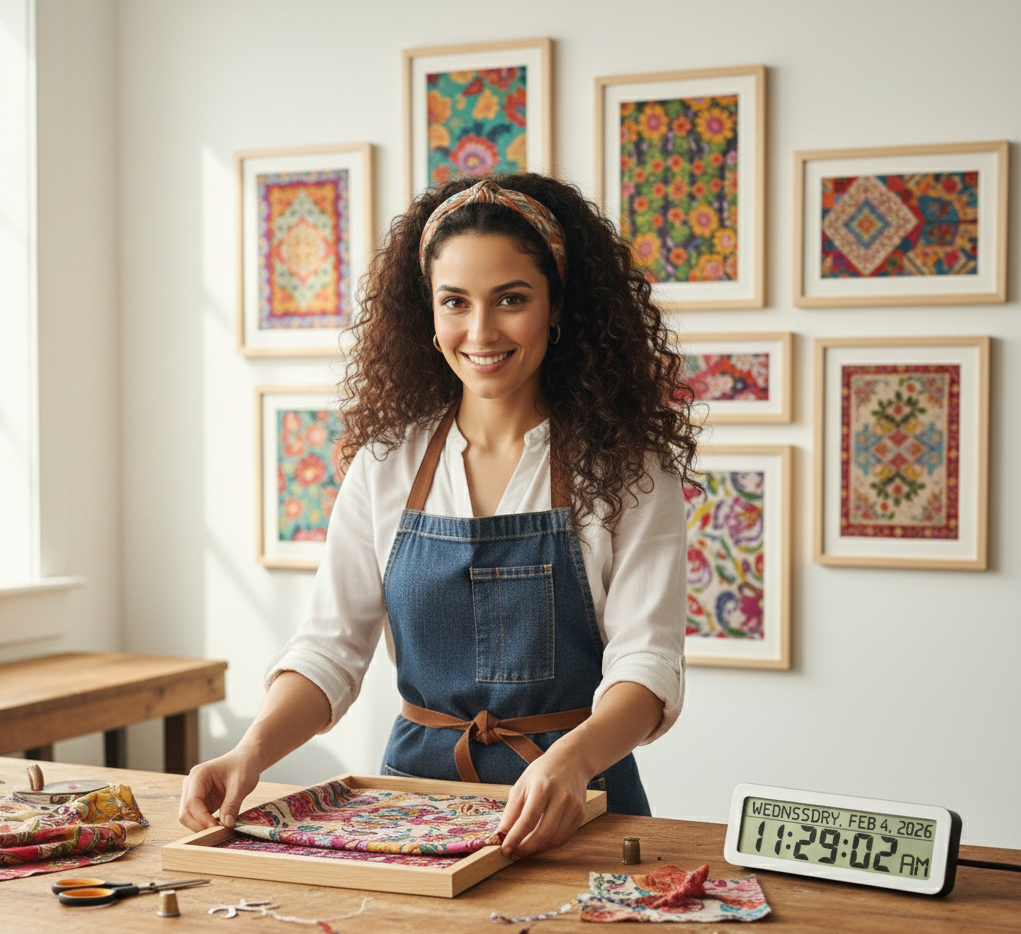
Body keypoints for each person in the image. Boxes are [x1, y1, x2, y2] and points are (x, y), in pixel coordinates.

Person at [179, 174, 699, 858]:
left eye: (510, 300)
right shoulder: (385, 464)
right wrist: (250, 751)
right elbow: (329, 650)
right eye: (455, 302)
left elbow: (646, 662)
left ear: (557, 306)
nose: (480, 332)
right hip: (410, 809)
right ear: (426, 312)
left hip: (580, 806)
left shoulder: (628, 470)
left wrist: (569, 762)